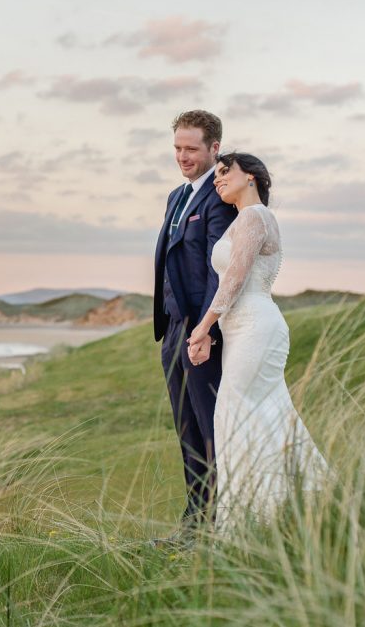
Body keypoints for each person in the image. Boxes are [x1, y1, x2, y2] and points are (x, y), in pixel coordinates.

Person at [187, 152, 331, 530]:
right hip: (242, 329)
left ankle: (248, 523)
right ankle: (288, 512)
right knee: (264, 417)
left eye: (224, 172)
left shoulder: (254, 216)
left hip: (255, 325)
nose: (217, 179)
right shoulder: (244, 219)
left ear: (250, 176)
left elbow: (234, 278)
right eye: (215, 174)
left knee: (235, 417)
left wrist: (202, 329)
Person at [153, 110, 237, 543]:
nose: (182, 157)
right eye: (177, 148)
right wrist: (171, 328)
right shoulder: (175, 196)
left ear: (214, 148)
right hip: (172, 330)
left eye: (191, 148)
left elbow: (217, 271)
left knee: (210, 431)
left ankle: (220, 526)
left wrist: (203, 331)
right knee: (186, 431)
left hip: (202, 334)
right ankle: (194, 526)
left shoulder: (218, 199)